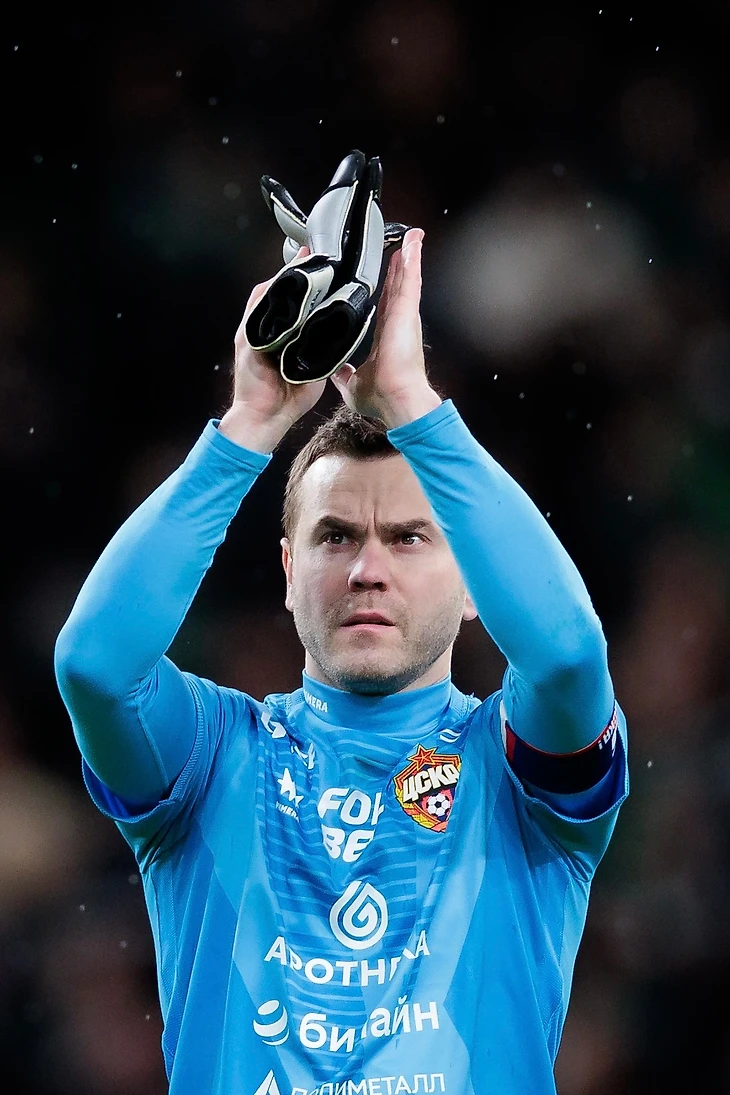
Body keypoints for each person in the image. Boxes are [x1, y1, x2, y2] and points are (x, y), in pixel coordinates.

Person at [54, 226, 629, 1095]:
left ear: (475, 584)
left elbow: (570, 657)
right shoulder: (213, 758)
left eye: (409, 537)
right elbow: (96, 666)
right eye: (335, 536)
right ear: (288, 572)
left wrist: (411, 402)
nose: (368, 568)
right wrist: (251, 423)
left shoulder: (513, 764)